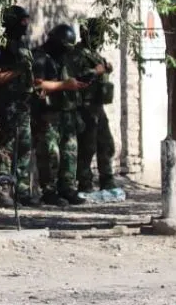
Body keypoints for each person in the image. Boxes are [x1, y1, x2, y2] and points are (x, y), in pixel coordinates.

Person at [0, 6, 42, 208]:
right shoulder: (0, 46)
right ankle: (3, 191)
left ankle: (22, 192)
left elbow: (28, 74)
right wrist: (17, 72)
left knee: (25, 147)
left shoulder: (22, 45)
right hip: (9, 103)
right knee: (7, 147)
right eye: (22, 22)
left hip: (24, 103)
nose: (25, 26)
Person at [33, 24, 90, 206]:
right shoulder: (40, 57)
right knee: (51, 154)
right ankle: (49, 191)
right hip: (48, 115)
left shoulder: (65, 58)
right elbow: (37, 84)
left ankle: (68, 189)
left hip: (67, 112)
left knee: (70, 152)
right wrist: (65, 85)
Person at [74, 18, 117, 193]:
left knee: (106, 144)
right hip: (85, 106)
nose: (100, 38)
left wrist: (106, 68)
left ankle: (107, 180)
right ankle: (85, 182)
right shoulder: (77, 54)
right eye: (97, 34)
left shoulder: (94, 54)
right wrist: (95, 71)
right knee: (87, 146)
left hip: (98, 106)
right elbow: (74, 76)